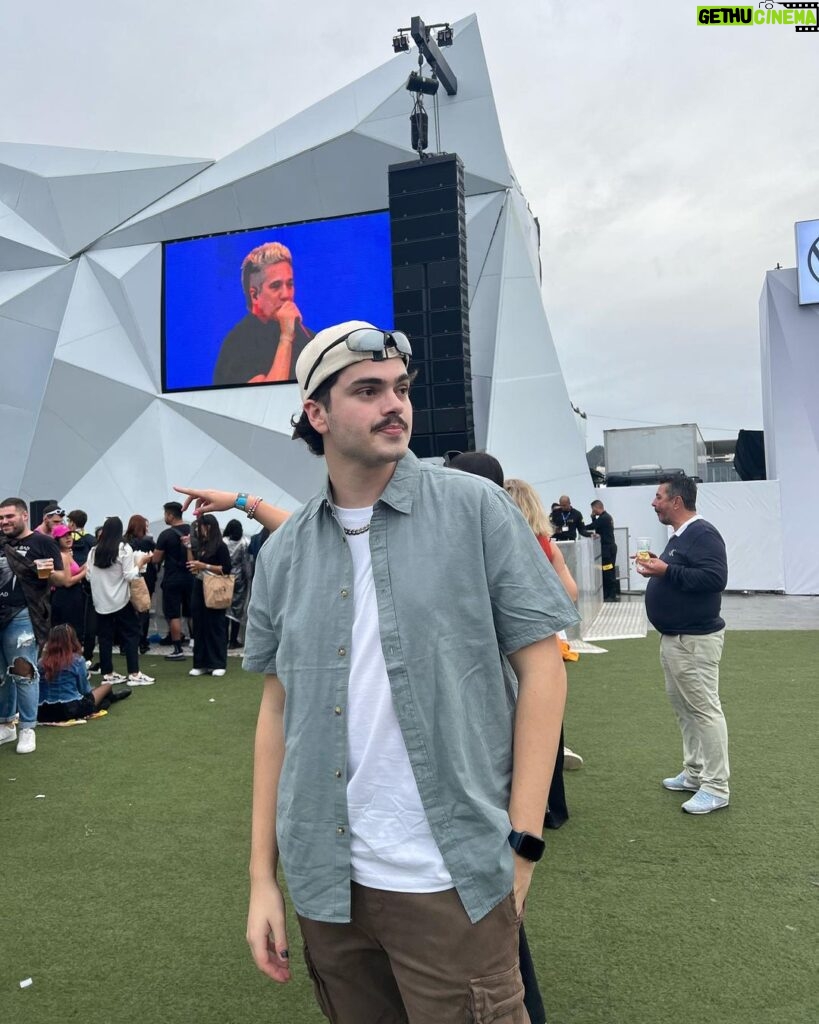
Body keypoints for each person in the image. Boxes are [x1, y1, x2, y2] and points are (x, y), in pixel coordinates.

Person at [238, 319, 577, 1023]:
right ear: (316, 413)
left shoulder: (473, 509)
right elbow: (277, 712)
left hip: (449, 880)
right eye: (367, 390)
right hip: (327, 886)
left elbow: (542, 669)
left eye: (399, 388)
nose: (394, 404)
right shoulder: (285, 552)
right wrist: (261, 879)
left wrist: (522, 844)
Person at [637, 474, 730, 815]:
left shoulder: (702, 533)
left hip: (694, 641)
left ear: (676, 501)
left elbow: (715, 578)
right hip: (675, 640)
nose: (654, 502)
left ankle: (716, 787)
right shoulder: (680, 536)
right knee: (686, 711)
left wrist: (666, 572)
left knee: (704, 711)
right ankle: (694, 773)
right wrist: (658, 571)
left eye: (658, 496)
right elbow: (677, 573)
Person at [0, 497, 67, 754]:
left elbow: (63, 579)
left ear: (24, 516)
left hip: (25, 614)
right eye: (1, 518)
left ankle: (28, 727)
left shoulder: (43, 542)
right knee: (1, 676)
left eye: (9, 516)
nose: (4, 522)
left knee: (23, 671)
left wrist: (47, 572)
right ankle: (6, 724)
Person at [212, 242, 313, 387]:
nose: (286, 295)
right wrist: (286, 338)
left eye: (289, 284)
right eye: (276, 286)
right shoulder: (239, 343)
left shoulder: (306, 337)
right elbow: (266, 398)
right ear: (254, 295)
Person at [86, 517, 155, 686]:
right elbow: (130, 575)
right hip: (120, 600)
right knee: (131, 634)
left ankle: (108, 673)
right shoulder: (124, 548)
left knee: (105, 638)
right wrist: (142, 563)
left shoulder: (94, 550)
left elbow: (88, 575)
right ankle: (134, 673)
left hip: (101, 602)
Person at [38, 623, 131, 723]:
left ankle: (107, 700)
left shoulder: (41, 662)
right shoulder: (77, 660)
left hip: (43, 711)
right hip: (69, 709)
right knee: (107, 686)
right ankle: (109, 699)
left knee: (97, 696)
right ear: (72, 640)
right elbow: (84, 690)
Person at [185, 514, 232, 677]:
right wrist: (188, 548)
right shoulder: (202, 545)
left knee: (215, 624)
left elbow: (226, 568)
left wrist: (204, 565)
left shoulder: (220, 546)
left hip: (215, 587)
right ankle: (201, 662)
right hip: (199, 585)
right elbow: (191, 566)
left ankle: (218, 662)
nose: (199, 529)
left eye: (201, 526)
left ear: (209, 527)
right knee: (199, 624)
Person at [153, 502, 193, 662]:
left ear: (170, 515)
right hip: (191, 576)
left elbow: (156, 558)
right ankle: (195, 641)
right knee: (191, 611)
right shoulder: (192, 531)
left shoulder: (166, 535)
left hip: (172, 578)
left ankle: (177, 648)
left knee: (174, 613)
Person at [124, 515, 156, 654]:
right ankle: (142, 641)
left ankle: (126, 643)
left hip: (128, 578)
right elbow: (156, 559)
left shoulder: (124, 542)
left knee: (127, 609)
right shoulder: (148, 542)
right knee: (144, 608)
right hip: (146, 578)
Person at [49, 523, 87, 639]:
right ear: (57, 539)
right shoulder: (62, 556)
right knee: (68, 634)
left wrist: (85, 566)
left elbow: (74, 572)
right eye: (64, 536)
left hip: (71, 596)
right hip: (66, 597)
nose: (68, 538)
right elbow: (68, 581)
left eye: (69, 534)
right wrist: (85, 572)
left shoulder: (67, 553)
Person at [222, 519, 252, 649]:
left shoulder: (223, 542)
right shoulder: (244, 542)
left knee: (223, 607)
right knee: (237, 609)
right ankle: (233, 640)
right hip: (239, 578)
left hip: (224, 576)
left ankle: (223, 639)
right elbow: (246, 563)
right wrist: (249, 577)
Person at [589, 499, 619, 602]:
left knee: (608, 571)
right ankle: (607, 594)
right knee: (606, 571)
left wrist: (580, 528)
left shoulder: (604, 518)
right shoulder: (605, 517)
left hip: (608, 549)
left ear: (597, 507)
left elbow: (592, 526)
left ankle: (611, 594)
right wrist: (593, 518)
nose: (593, 512)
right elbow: (597, 528)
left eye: (593, 509)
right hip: (608, 548)